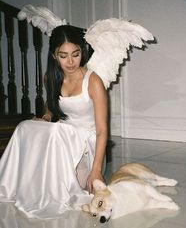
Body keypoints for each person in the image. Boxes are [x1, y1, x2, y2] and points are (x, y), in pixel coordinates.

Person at [0, 25, 108, 218]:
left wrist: (97, 170)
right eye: (63, 55)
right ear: (53, 55)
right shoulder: (50, 77)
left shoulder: (93, 81)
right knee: (26, 126)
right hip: (62, 138)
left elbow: (101, 130)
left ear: (82, 52)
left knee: (71, 190)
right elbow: (51, 106)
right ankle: (10, 181)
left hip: (87, 145)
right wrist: (46, 117)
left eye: (75, 54)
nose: (70, 61)